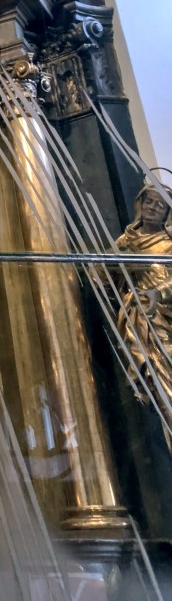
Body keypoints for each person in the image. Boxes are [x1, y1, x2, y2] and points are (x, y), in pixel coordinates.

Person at [115, 181, 172, 449]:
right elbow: (104, 279)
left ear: (167, 214)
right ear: (140, 204)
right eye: (149, 201)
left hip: (163, 318)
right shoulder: (125, 241)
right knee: (157, 381)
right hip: (139, 320)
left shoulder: (169, 244)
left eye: (160, 205)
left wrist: (158, 294)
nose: (152, 208)